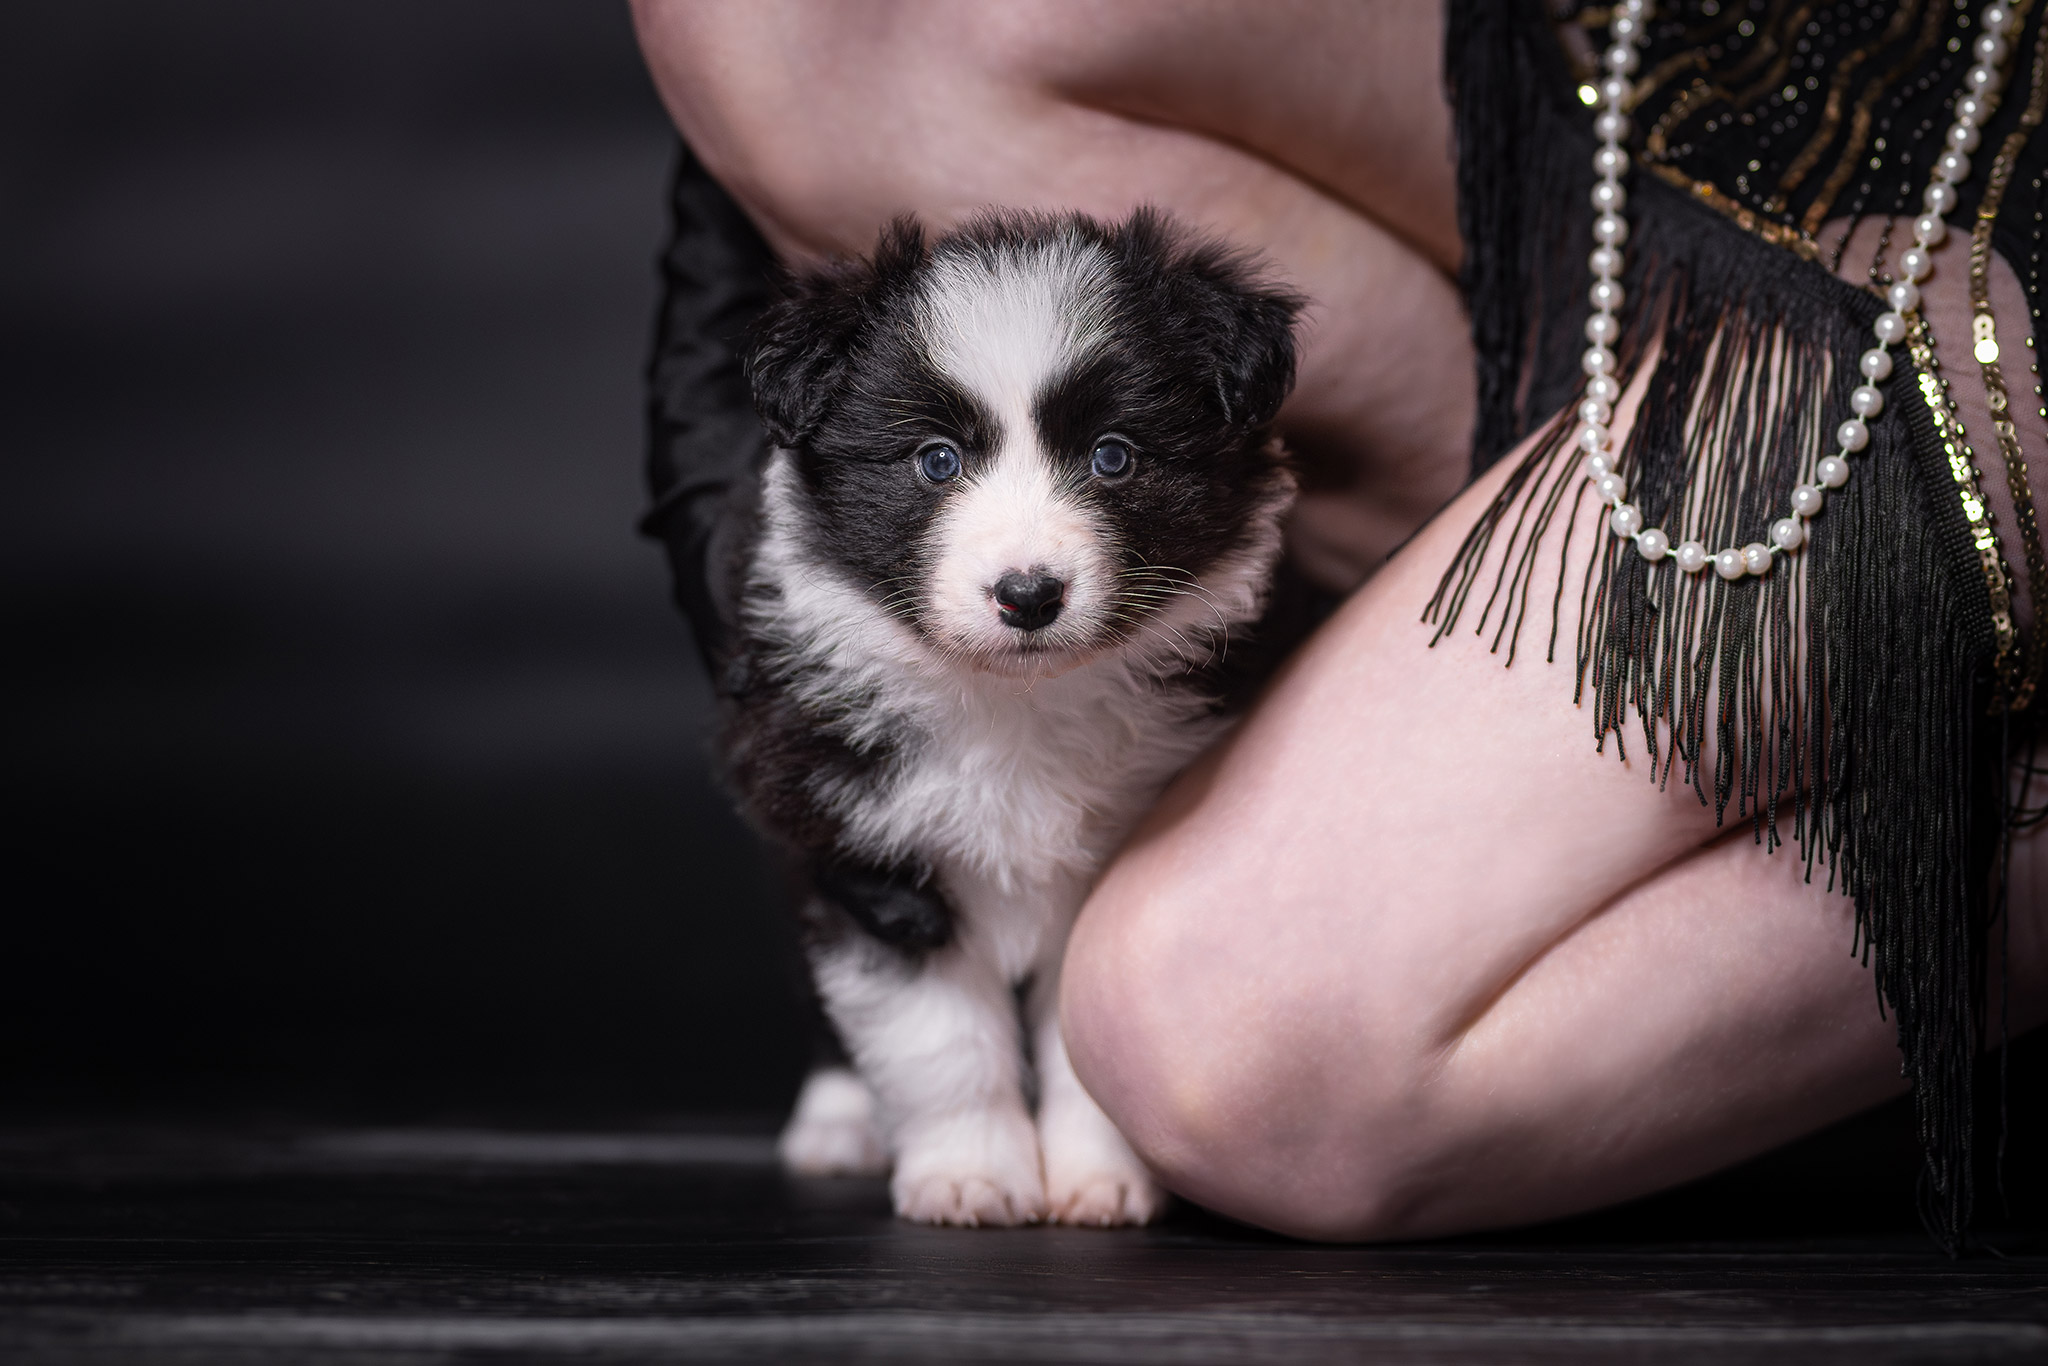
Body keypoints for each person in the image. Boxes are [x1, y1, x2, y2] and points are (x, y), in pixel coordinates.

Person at [631, 0, 2048, 1248]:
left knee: (1206, 1046)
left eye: (1105, 459)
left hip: (1976, 184)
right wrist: (776, 610)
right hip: (1584, 111)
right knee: (759, 21)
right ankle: (1522, 548)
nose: (1022, 541)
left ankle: (1945, 752)